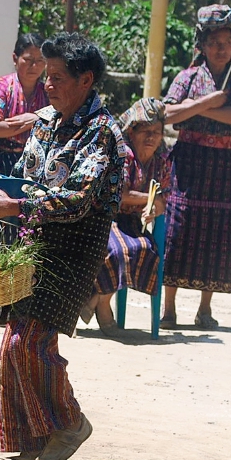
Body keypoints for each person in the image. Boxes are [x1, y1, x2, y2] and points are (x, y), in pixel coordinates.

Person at [0, 33, 125, 460]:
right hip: (33, 242)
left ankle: (70, 424)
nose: (48, 83)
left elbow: (76, 199)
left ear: (86, 80)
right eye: (47, 74)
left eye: (57, 76)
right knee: (12, 340)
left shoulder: (103, 132)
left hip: (74, 249)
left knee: (29, 340)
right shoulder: (45, 122)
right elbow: (22, 178)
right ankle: (31, 438)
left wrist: (14, 205)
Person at [162, 4, 231, 330]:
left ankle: (204, 309)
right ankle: (169, 308)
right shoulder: (186, 77)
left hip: (223, 166)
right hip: (187, 161)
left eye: (227, 43)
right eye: (214, 41)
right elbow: (168, 115)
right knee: (177, 230)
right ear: (201, 44)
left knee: (217, 233)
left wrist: (197, 110)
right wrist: (207, 103)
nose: (220, 48)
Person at [84, 96, 171, 336]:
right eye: (145, 131)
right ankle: (104, 307)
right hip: (106, 218)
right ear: (131, 132)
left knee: (145, 249)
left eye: (156, 132)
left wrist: (155, 208)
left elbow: (165, 198)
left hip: (133, 222)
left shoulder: (162, 161)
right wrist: (150, 199)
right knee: (117, 250)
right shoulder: (123, 156)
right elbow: (119, 196)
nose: (151, 137)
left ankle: (95, 300)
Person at [0, 33, 48, 179]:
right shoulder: (1, 87)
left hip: (35, 165)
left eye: (40, 60)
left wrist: (34, 118)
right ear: (15, 59)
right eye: (28, 60)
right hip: (1, 163)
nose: (34, 66)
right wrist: (30, 122)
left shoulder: (48, 93)